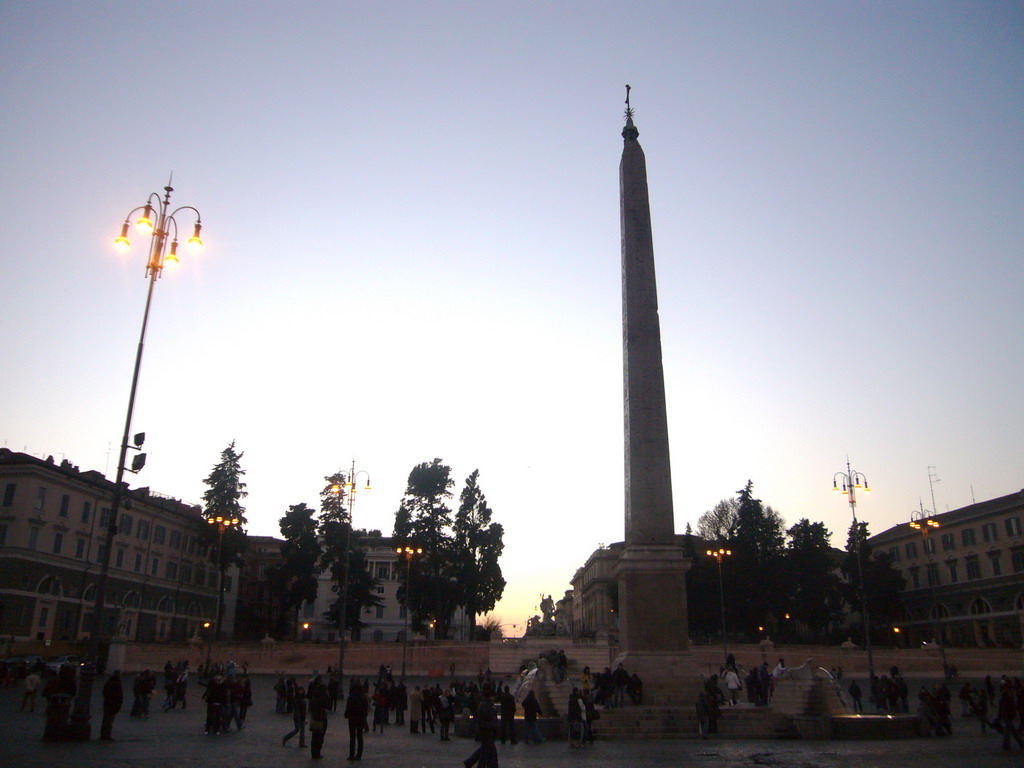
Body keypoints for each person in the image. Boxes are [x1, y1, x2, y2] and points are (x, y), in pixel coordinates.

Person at [464, 688, 498, 768]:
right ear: (490, 697)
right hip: (487, 729)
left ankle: (470, 762)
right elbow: (487, 715)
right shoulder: (486, 704)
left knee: (487, 749)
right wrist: (493, 710)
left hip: (487, 728)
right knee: (486, 750)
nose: (494, 698)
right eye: (493, 696)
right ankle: (480, 765)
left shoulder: (485, 703)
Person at [345, 682, 369, 760]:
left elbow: (348, 707)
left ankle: (351, 754)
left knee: (352, 737)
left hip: (352, 718)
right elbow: (366, 708)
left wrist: (347, 714)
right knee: (360, 736)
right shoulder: (363, 697)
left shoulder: (351, 697)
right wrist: (364, 715)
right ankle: (359, 755)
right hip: (360, 718)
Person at [308, 681, 331, 759]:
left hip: (314, 718)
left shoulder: (314, 695)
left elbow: (310, 707)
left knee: (314, 736)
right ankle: (317, 753)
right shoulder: (324, 696)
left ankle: (313, 753)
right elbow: (329, 706)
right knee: (320, 736)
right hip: (321, 718)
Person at [100, 670, 124, 741]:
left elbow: (104, 692)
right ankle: (107, 735)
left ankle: (104, 734)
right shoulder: (117, 683)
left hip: (107, 703)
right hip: (113, 704)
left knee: (106, 719)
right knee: (109, 720)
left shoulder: (108, 682)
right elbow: (119, 695)